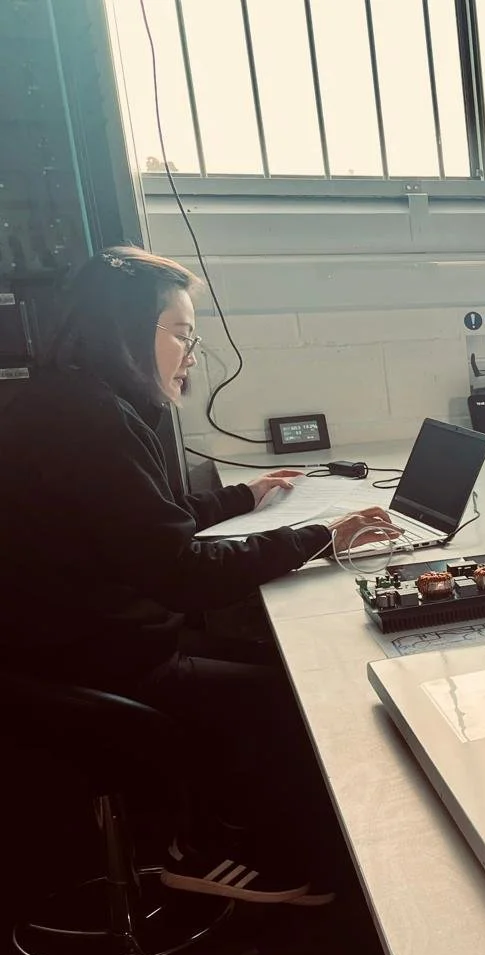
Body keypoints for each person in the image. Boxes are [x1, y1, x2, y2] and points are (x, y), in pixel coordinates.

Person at [0, 247, 396, 903]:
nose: (191, 351)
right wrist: (320, 534)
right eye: (181, 333)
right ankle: (216, 852)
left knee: (261, 657)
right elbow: (183, 575)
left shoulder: (68, 400)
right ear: (124, 331)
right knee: (289, 696)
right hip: (92, 665)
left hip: (59, 649)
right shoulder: (93, 422)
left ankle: (213, 825)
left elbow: (137, 524)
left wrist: (243, 498)